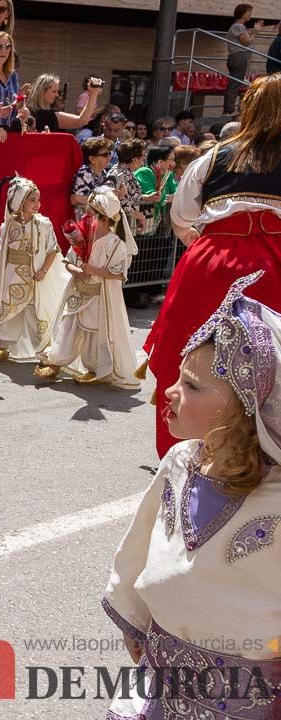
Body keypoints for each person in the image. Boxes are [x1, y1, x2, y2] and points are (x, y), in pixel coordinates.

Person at [102, 273, 281, 720]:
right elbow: (141, 544)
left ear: (247, 408)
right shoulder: (180, 461)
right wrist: (136, 616)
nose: (171, 392)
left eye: (193, 386)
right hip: (158, 676)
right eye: (179, 377)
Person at [142, 74, 281, 457]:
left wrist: (200, 242)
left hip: (211, 260)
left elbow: (181, 214)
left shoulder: (214, 156)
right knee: (271, 362)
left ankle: (186, 453)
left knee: (186, 350)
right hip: (274, 261)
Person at [35, 191, 139, 386]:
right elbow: (68, 261)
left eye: (90, 212)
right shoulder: (83, 234)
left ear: (105, 218)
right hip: (78, 292)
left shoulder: (116, 244)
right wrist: (77, 270)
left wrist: (94, 270)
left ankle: (95, 369)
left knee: (94, 334)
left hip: (99, 296)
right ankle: (56, 362)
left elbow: (119, 273)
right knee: (67, 327)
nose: (85, 216)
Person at [0, 177, 68, 365]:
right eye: (32, 200)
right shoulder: (8, 225)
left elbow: (53, 249)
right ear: (20, 201)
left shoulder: (43, 224)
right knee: (6, 311)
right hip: (12, 275)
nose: (37, 204)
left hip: (35, 276)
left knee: (36, 311)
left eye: (38, 200)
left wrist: (44, 270)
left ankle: (45, 348)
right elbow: (1, 253)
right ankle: (3, 345)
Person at [26, 73, 101, 133]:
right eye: (54, 91)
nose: (57, 95)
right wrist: (94, 92)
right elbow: (82, 120)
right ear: (42, 92)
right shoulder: (47, 115)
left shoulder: (26, 110)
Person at [225, 3, 262, 114]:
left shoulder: (239, 27)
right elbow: (245, 42)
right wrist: (255, 32)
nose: (250, 14)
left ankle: (231, 108)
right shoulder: (238, 26)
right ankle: (229, 109)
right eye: (248, 11)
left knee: (236, 82)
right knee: (235, 83)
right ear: (243, 13)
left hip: (238, 57)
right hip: (239, 57)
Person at [71, 137, 116, 219]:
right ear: (92, 159)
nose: (109, 157)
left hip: (100, 220)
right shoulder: (84, 172)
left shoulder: (103, 172)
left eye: (109, 153)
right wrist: (102, 201)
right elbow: (75, 198)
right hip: (86, 221)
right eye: (105, 155)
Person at [134, 143, 177, 227]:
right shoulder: (144, 172)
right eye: (171, 160)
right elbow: (153, 196)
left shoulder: (168, 174)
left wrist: (173, 196)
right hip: (143, 223)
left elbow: (176, 192)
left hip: (160, 223)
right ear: (160, 161)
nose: (174, 163)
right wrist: (168, 198)